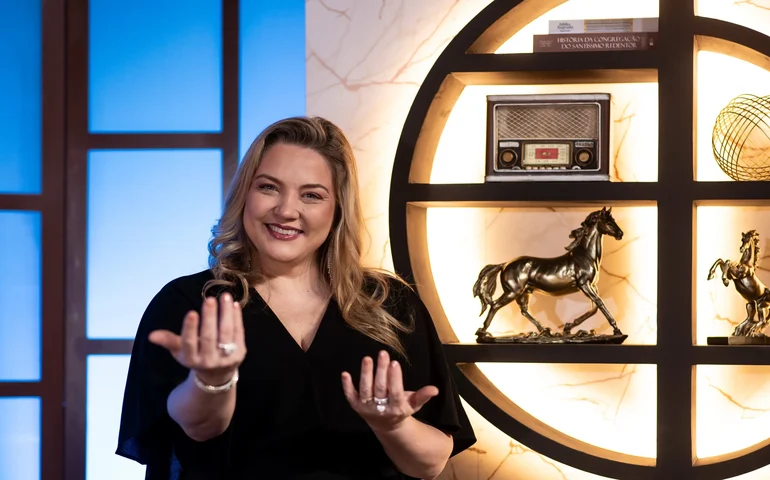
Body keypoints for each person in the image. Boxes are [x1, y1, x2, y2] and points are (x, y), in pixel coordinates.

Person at [115, 116, 476, 479]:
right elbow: (198, 427)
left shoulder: (389, 304)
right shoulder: (189, 303)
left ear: (337, 210)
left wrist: (394, 426)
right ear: (245, 195)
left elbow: (430, 464)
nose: (286, 210)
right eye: (268, 187)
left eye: (312, 195)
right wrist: (214, 379)